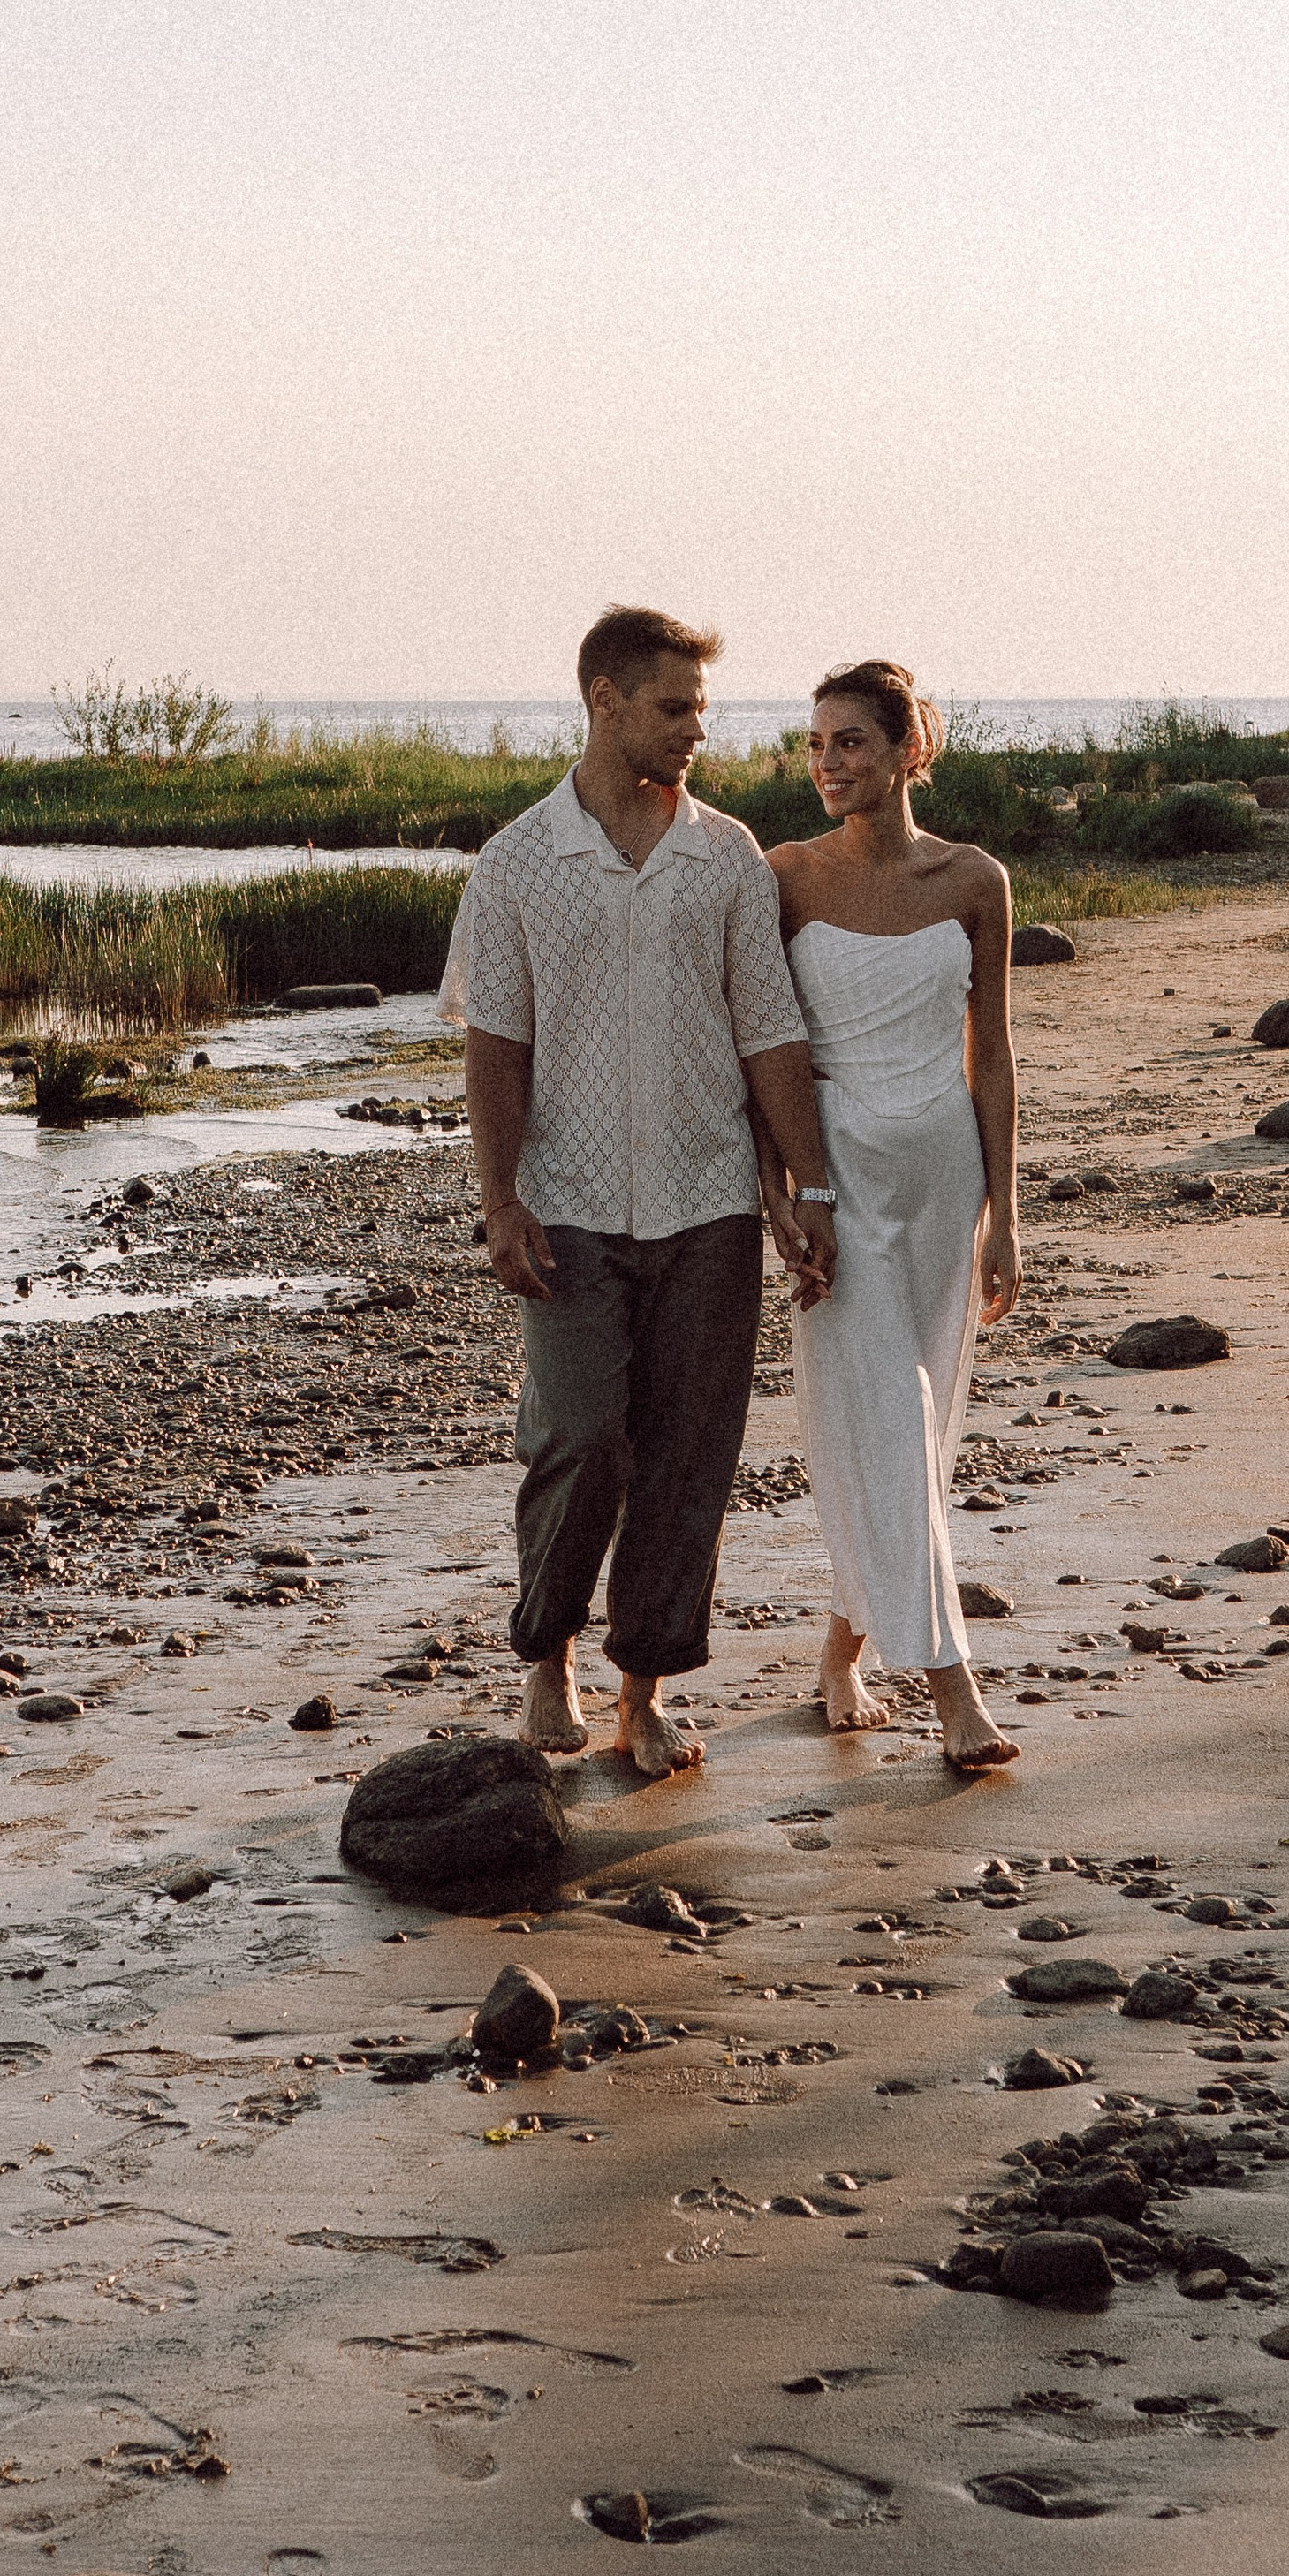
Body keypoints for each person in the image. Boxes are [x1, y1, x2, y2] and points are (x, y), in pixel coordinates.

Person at [440, 604, 838, 1778]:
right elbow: (494, 1047)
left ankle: (644, 1692)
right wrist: (500, 1197)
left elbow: (769, 1035)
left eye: (701, 712)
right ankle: (544, 1653)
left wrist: (802, 1182)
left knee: (690, 1454)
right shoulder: (516, 864)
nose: (693, 733)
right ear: (605, 701)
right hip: (566, 1201)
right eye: (673, 709)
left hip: (710, 1200)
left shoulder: (726, 856)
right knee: (580, 1434)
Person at [759, 660, 1023, 1775]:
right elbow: (759, 1051)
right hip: (837, 1184)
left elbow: (994, 1050)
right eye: (815, 744)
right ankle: (953, 1690)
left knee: (916, 1434)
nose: (827, 764)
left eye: (851, 742)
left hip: (941, 1177)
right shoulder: (778, 877)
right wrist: (781, 1193)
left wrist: (1005, 1210)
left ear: (908, 748)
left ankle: (837, 1652)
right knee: (877, 1424)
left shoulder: (974, 881)